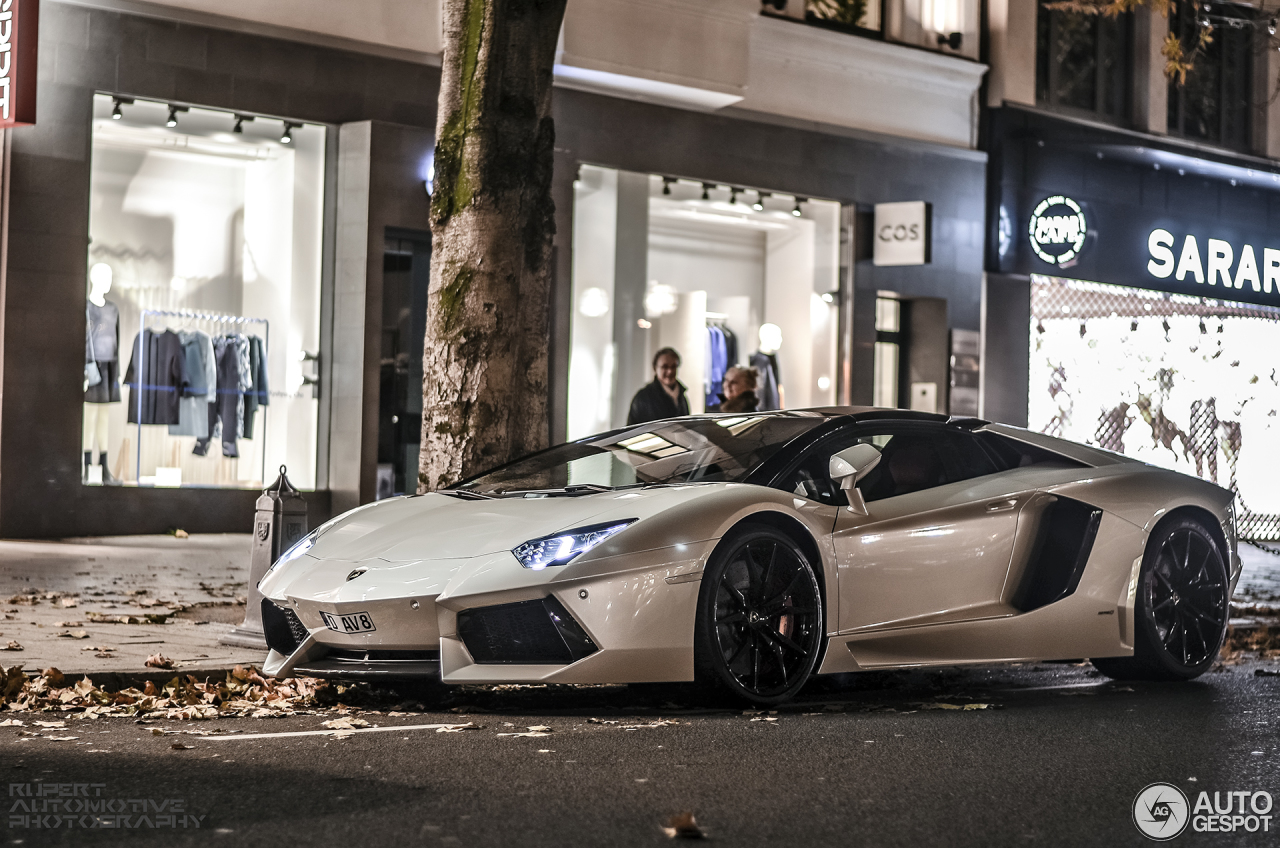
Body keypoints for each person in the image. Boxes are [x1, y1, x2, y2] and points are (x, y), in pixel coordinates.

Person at [627, 347, 689, 425]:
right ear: (655, 368)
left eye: (673, 367)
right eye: (665, 367)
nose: (670, 371)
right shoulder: (642, 398)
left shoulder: (682, 396)